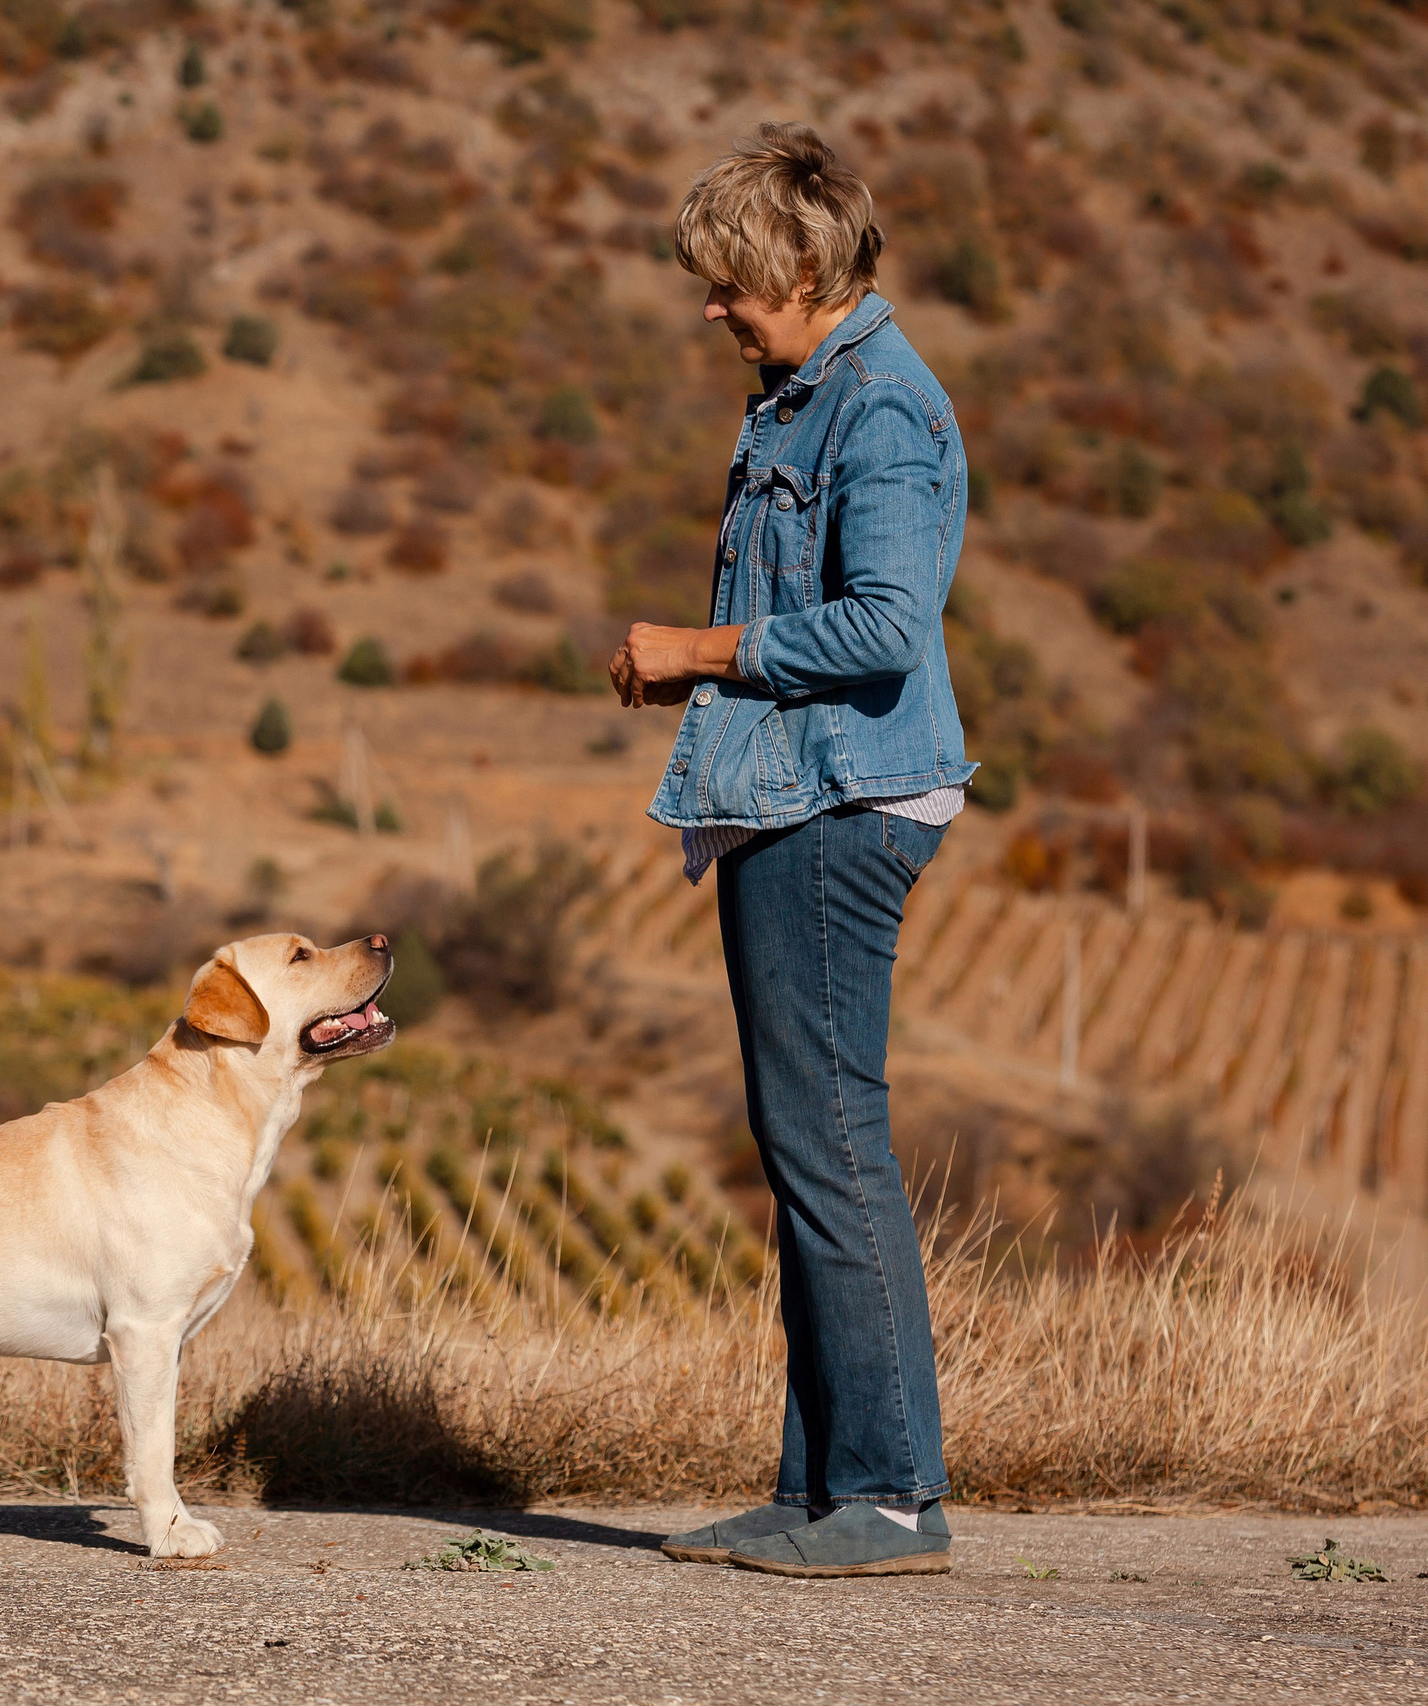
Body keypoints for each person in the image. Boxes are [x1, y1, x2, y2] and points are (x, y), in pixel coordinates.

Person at [610, 123, 975, 1579]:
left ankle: (887, 1496)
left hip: (837, 804)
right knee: (802, 1139)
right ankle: (819, 1487)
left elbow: (887, 624)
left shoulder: (878, 409)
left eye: (732, 282)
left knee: (829, 1142)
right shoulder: (800, 397)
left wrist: (698, 650)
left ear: (809, 269)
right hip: (792, 791)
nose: (712, 307)